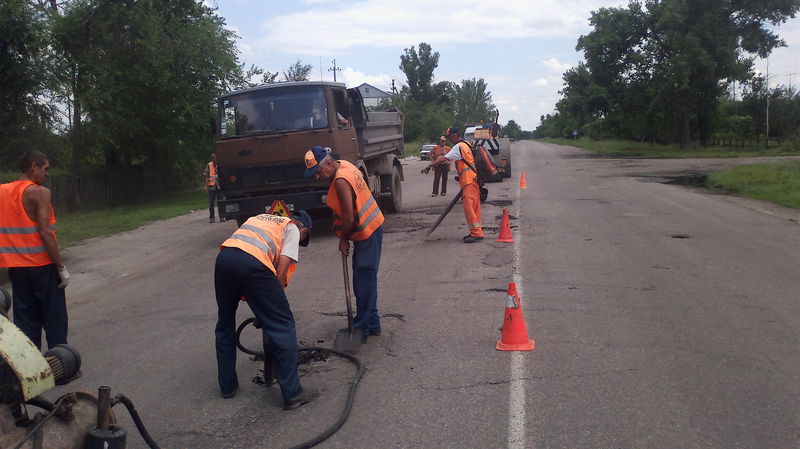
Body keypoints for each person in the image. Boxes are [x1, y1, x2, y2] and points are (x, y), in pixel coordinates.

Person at [213, 210, 319, 409]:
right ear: (303, 228)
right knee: (282, 324)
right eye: (303, 238)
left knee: (225, 323)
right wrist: (270, 309)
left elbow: (246, 258)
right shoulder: (292, 228)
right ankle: (293, 393)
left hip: (225, 259)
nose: (299, 242)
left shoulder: (260, 218)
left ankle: (227, 386)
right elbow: (281, 271)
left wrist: (262, 308)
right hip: (251, 263)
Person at [304, 146, 383, 342]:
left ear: (329, 163)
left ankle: (360, 327)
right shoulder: (346, 165)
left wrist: (343, 240)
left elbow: (348, 216)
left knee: (363, 282)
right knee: (366, 279)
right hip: (372, 228)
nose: (318, 177)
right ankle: (373, 324)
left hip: (367, 233)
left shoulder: (340, 181)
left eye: (319, 172)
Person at [0, 150, 70, 349]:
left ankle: (32, 365)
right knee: (53, 314)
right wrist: (61, 267)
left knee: (25, 318)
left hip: (16, 268)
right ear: (34, 167)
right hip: (42, 266)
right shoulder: (40, 192)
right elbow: (46, 233)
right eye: (45, 168)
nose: (47, 174)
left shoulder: (2, 191)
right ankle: (61, 362)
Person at [425, 126, 485, 243]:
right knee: (474, 207)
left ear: (454, 135)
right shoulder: (466, 144)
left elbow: (444, 158)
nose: (449, 140)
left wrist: (430, 165)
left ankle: (476, 233)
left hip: (468, 181)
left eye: (449, 137)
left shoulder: (458, 146)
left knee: (469, 207)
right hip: (474, 180)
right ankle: (477, 231)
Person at [204, 154, 225, 223]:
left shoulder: (221, 165)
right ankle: (212, 217)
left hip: (219, 186)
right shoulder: (209, 165)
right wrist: (205, 186)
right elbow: (207, 176)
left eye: (216, 158)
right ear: (212, 158)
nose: (215, 159)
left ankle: (222, 217)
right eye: (214, 158)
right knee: (211, 203)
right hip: (212, 186)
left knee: (221, 202)